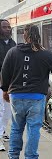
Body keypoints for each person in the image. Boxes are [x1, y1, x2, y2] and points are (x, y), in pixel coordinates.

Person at [1, 24, 52, 159]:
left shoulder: (12, 51)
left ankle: (13, 156)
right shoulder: (45, 53)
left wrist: (5, 90)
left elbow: (4, 73)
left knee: (16, 128)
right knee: (33, 129)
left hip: (16, 96)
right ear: (38, 35)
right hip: (36, 97)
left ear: (24, 35)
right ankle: (31, 157)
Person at [0, 19, 16, 151]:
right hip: (0, 82)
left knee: (7, 112)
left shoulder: (13, 43)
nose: (8, 29)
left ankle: (2, 131)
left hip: (10, 83)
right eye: (5, 27)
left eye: (9, 27)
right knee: (1, 111)